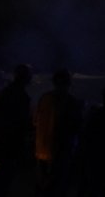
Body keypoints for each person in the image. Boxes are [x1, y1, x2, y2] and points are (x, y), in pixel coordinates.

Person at [0, 64, 34, 197]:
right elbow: (20, 126)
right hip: (8, 147)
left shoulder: (6, 92)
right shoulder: (21, 97)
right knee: (2, 183)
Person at [36, 69, 84, 197]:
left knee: (43, 185)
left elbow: (36, 121)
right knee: (57, 186)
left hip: (42, 150)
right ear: (68, 83)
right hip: (60, 152)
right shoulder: (71, 102)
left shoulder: (45, 98)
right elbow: (76, 126)